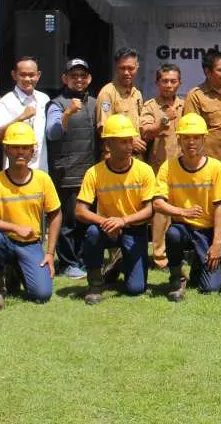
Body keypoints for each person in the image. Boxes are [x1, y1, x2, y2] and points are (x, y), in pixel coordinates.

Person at [0, 121, 61, 311]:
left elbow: (55, 214)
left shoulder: (42, 179)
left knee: (41, 295)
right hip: (5, 240)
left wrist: (50, 254)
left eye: (25, 147)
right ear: (6, 150)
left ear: (32, 151)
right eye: (14, 147)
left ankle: (16, 271)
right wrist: (14, 227)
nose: (20, 152)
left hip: (30, 244)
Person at [75, 114, 158, 304]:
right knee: (92, 233)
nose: (129, 146)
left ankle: (119, 263)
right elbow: (80, 211)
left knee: (136, 289)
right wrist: (105, 221)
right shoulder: (94, 172)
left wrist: (123, 220)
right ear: (108, 145)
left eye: (130, 140)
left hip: (134, 228)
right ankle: (95, 283)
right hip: (106, 227)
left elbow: (149, 210)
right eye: (122, 142)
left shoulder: (144, 170)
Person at [154, 113, 221, 301]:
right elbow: (157, 203)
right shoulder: (168, 167)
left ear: (204, 139)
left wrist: (217, 244)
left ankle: (197, 266)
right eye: (186, 137)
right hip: (183, 227)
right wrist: (182, 212)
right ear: (179, 139)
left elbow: (219, 207)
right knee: (173, 234)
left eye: (196, 137)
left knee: (210, 288)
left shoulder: (215, 167)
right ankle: (177, 277)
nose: (191, 142)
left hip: (207, 231)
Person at [44, 58, 98, 279]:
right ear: (64, 78)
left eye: (82, 76)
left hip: (90, 173)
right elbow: (52, 132)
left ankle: (85, 260)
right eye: (73, 75)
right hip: (66, 173)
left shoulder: (95, 103)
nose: (78, 79)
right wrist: (67, 114)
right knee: (68, 222)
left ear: (89, 79)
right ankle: (68, 263)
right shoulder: (56, 104)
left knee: (87, 219)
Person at [184, 48, 221, 250]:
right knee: (208, 206)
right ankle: (201, 246)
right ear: (208, 72)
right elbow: (191, 131)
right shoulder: (196, 96)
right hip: (207, 162)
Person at [139, 63, 182, 270]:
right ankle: (159, 257)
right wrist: (163, 122)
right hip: (158, 167)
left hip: (182, 167)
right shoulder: (150, 106)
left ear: (179, 83)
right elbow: (145, 131)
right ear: (157, 83)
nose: (169, 85)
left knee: (181, 212)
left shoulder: (185, 105)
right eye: (164, 81)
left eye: (173, 81)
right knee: (161, 213)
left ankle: (179, 253)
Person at [0, 56, 49, 172]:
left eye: (31, 75)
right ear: (14, 75)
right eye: (23, 75)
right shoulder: (6, 101)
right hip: (15, 171)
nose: (27, 79)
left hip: (40, 169)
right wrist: (21, 118)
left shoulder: (44, 99)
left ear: (38, 75)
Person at [95, 47, 146, 159]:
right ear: (116, 69)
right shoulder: (107, 93)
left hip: (135, 158)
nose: (126, 72)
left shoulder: (137, 93)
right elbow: (103, 129)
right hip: (115, 159)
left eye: (130, 68)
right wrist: (130, 142)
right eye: (122, 68)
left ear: (137, 68)